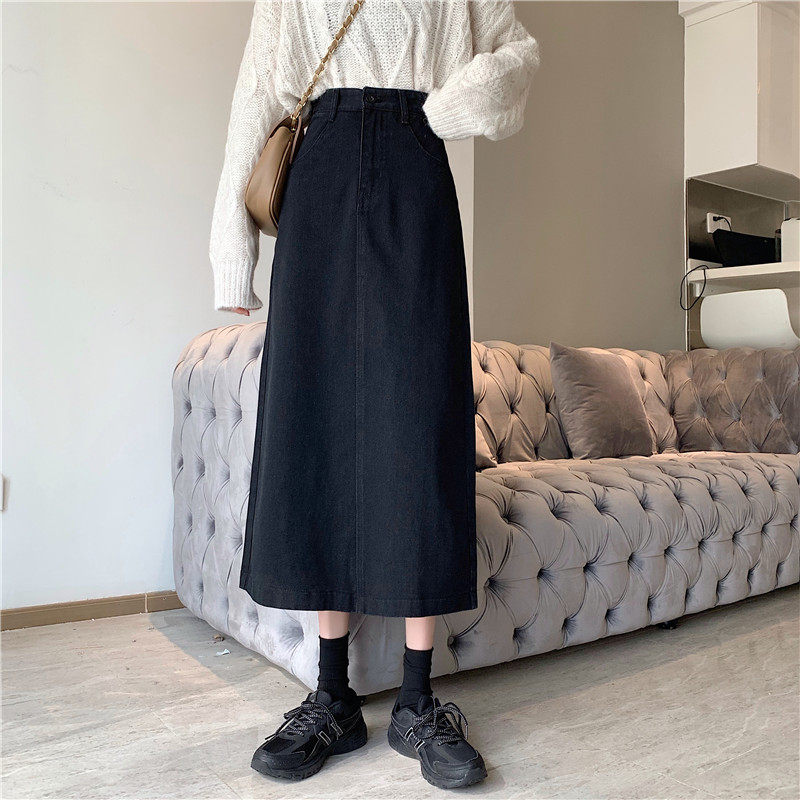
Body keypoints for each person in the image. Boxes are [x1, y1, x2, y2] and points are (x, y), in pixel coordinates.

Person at [209, 0, 538, 789]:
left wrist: (447, 108)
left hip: (416, 176)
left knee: (419, 428)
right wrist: (232, 253)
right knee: (318, 424)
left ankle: (419, 702)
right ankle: (333, 696)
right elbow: (257, 93)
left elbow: (516, 52)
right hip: (317, 184)